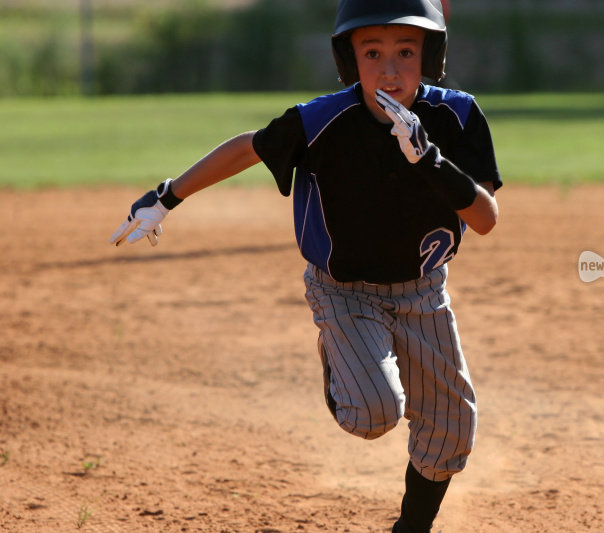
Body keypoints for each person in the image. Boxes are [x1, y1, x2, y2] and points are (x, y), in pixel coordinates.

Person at [110, 1, 501, 530]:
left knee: (452, 429)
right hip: (344, 290)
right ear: (349, 59)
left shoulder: (456, 115)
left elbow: (485, 218)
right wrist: (167, 196)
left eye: (406, 51)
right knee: (371, 414)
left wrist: (427, 157)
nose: (390, 69)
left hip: (424, 292)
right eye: (373, 52)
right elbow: (248, 149)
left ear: (430, 53)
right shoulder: (322, 121)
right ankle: (338, 359)